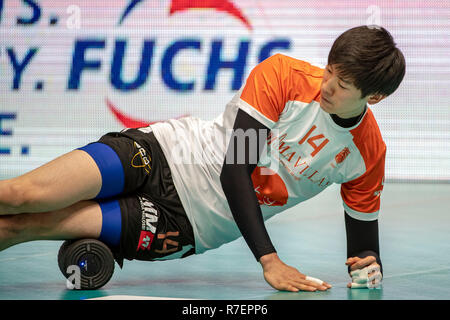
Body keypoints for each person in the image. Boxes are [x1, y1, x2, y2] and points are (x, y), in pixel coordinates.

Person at [0, 25, 405, 292]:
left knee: (22, 227)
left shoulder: (367, 154)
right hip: (163, 152)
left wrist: (367, 267)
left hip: (187, 226)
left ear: (374, 97)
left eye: (344, 83)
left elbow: (364, 245)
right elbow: (235, 169)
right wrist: (269, 260)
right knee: (21, 193)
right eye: (330, 70)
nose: (328, 86)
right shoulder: (283, 75)